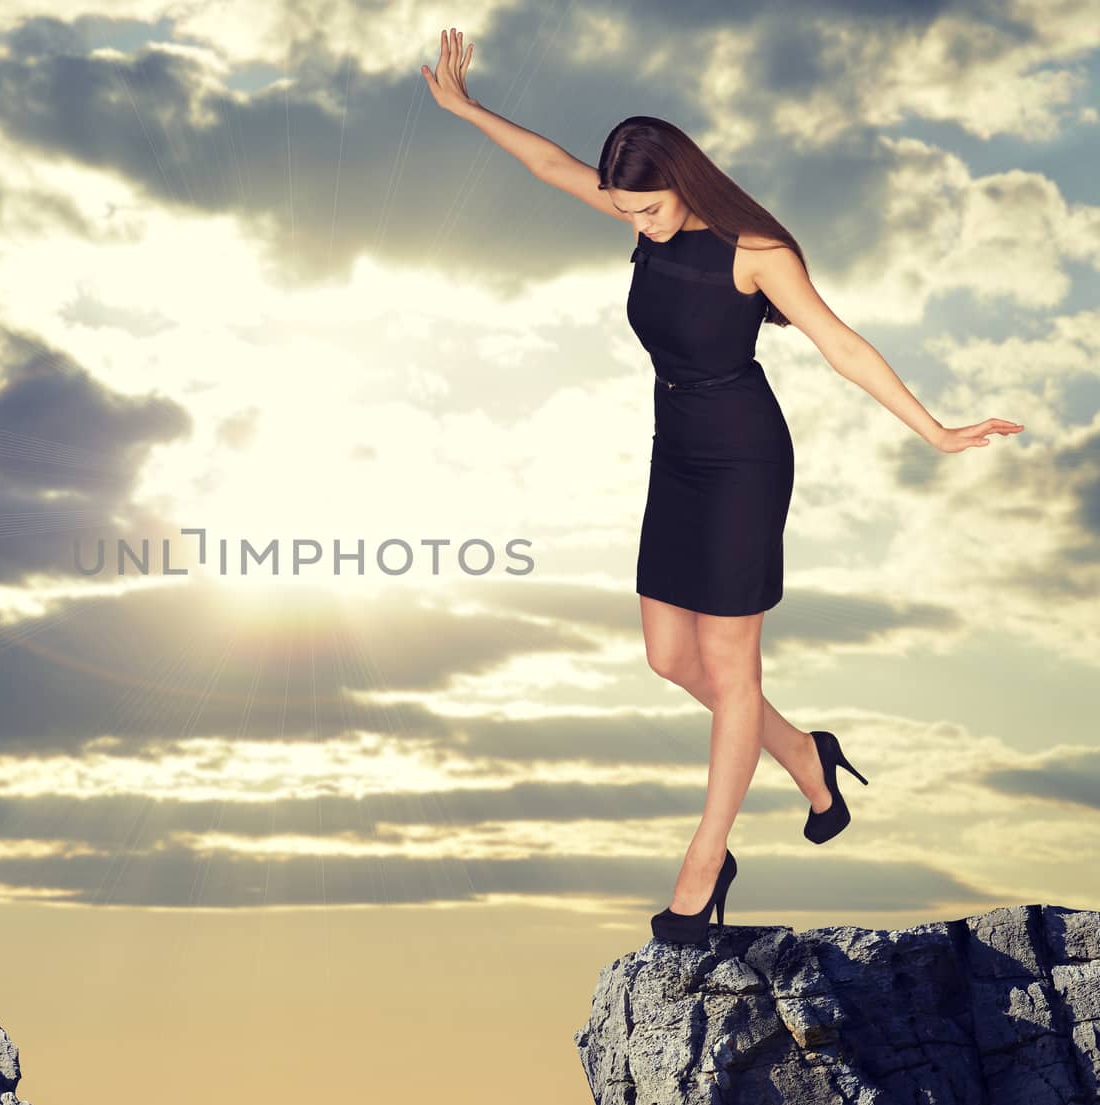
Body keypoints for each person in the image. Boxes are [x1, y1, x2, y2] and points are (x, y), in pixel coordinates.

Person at [421, 28, 1024, 945]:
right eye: (627, 212)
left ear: (684, 184)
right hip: (678, 453)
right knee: (671, 657)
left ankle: (705, 864)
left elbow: (843, 345)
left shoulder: (754, 248)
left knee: (734, 671)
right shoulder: (637, 209)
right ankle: (804, 754)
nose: (639, 225)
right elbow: (549, 165)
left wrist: (935, 430)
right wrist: (465, 108)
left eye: (650, 210)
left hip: (745, 457)